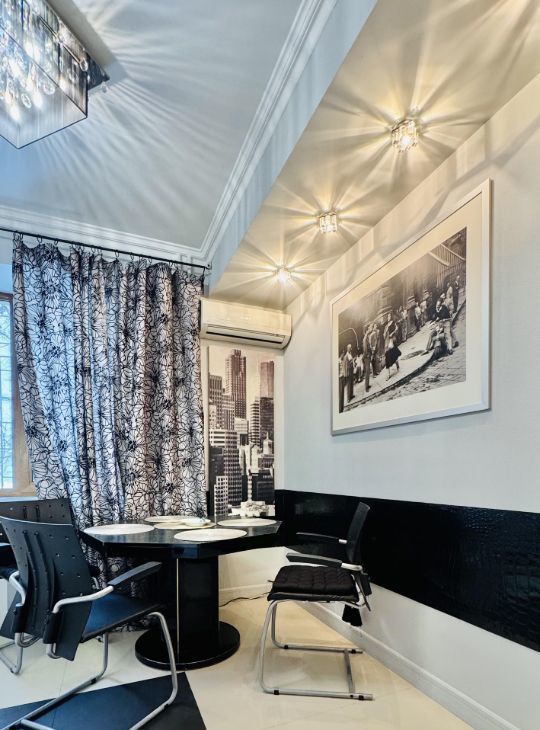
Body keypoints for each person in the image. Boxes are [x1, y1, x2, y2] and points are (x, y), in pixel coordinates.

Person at [383, 313, 401, 380]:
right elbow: (384, 336)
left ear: (391, 317)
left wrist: (392, 333)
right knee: (387, 358)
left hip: (392, 341)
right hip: (387, 343)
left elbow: (396, 329)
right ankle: (388, 374)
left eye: (390, 316)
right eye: (388, 316)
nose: (389, 317)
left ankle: (397, 366)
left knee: (394, 355)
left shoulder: (393, 323)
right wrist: (385, 333)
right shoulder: (386, 326)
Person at [362, 324, 372, 393]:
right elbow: (365, 349)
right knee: (367, 372)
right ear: (366, 330)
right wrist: (367, 355)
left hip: (368, 355)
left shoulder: (367, 337)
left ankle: (367, 385)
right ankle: (366, 388)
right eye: (369, 328)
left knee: (368, 371)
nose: (370, 329)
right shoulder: (365, 338)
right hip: (367, 356)